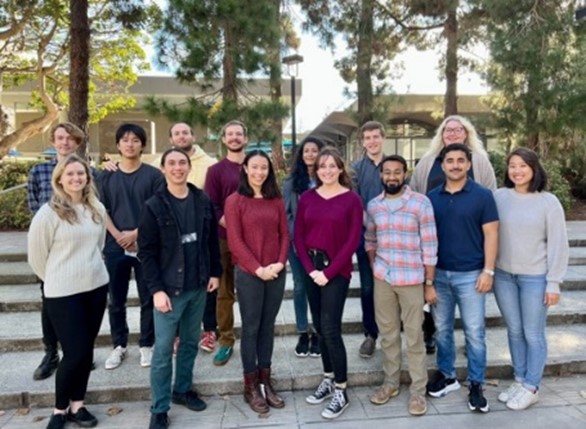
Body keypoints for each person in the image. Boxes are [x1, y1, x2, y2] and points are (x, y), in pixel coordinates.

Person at [138, 148, 222, 429]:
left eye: (182, 163)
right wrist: (156, 290)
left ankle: (182, 389)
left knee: (189, 343)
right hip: (168, 291)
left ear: (189, 167)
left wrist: (214, 272)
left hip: (197, 285)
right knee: (162, 351)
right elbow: (146, 252)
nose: (177, 167)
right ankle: (159, 408)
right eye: (171, 163)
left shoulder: (201, 200)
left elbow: (211, 241)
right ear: (163, 169)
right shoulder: (154, 205)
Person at [28, 154, 109, 429]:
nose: (76, 178)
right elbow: (37, 258)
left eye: (81, 174)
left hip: (96, 287)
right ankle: (59, 409)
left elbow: (99, 245)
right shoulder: (48, 213)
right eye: (70, 174)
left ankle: (78, 405)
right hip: (63, 293)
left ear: (87, 178)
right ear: (59, 178)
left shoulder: (96, 207)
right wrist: (56, 278)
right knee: (73, 353)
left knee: (85, 351)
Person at [410, 115, 497, 355]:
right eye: (448, 130)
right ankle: (430, 334)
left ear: (467, 133)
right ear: (441, 134)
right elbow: (416, 193)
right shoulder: (427, 162)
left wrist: (489, 265)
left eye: (458, 130)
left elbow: (491, 195)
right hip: (432, 240)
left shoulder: (479, 161)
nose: (452, 133)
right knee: (432, 296)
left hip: (469, 241)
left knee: (472, 310)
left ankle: (473, 345)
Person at [493, 147, 569, 410]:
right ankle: (520, 378)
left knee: (533, 333)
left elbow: (559, 244)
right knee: (514, 330)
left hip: (535, 278)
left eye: (523, 165)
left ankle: (532, 386)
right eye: (512, 165)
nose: (517, 170)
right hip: (503, 275)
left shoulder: (548, 202)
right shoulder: (499, 196)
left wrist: (554, 282)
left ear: (534, 169)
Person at [425, 143, 499, 413]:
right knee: (442, 330)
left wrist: (488, 271)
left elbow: (492, 234)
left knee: (475, 333)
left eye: (460, 160)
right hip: (440, 275)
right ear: (442, 165)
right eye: (450, 160)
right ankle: (447, 375)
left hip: (472, 275)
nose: (455, 165)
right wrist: (428, 280)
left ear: (468, 164)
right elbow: (425, 239)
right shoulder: (431, 197)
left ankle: (477, 383)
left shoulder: (482, 196)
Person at [365, 155, 438, 416]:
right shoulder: (374, 205)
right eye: (387, 172)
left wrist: (429, 283)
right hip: (384, 277)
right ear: (381, 175)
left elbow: (430, 246)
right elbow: (370, 239)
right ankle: (391, 383)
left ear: (405, 174)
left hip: (412, 279)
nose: (392, 177)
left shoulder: (421, 203)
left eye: (397, 172)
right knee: (388, 335)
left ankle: (418, 390)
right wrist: (375, 266)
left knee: (415, 336)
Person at [294, 147, 363, 420]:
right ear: (316, 170)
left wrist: (329, 271)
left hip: (337, 271)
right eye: (322, 166)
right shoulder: (308, 198)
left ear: (340, 169)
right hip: (312, 269)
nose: (327, 170)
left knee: (331, 329)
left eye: (332, 166)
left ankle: (341, 389)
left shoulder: (351, 200)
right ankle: (328, 376)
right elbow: (298, 236)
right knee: (320, 327)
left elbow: (353, 240)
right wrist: (311, 270)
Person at [225, 150, 289, 413]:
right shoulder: (235, 201)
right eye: (255, 167)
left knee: (268, 326)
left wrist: (280, 263)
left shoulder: (275, 200)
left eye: (264, 168)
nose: (259, 172)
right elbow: (235, 242)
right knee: (251, 328)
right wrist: (258, 269)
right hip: (250, 275)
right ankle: (250, 385)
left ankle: (265, 381)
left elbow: (285, 234)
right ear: (245, 169)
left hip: (275, 272)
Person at [98, 124, 165, 370]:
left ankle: (147, 344)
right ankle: (119, 345)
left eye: (135, 140)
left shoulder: (153, 176)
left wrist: (136, 233)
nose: (130, 144)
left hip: (145, 244)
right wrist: (118, 236)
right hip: (115, 245)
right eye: (125, 140)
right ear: (117, 145)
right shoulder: (107, 175)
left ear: (142, 145)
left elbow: (158, 208)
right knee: (116, 299)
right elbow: (100, 209)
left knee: (148, 297)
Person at [26, 122, 85, 381]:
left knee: (82, 304)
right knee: (50, 303)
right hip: (50, 250)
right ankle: (51, 353)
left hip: (80, 250)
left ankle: (80, 352)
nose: (65, 142)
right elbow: (33, 207)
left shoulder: (85, 172)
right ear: (53, 141)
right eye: (60, 138)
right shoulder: (39, 171)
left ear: (77, 142)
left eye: (70, 138)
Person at [165, 123, 218, 354]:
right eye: (176, 133)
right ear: (171, 139)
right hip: (173, 232)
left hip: (203, 227)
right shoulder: (163, 162)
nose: (181, 136)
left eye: (185, 132)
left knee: (207, 284)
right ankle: (178, 334)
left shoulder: (209, 164)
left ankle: (209, 331)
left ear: (193, 136)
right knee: (178, 285)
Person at [204, 120, 248, 366]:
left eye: (238, 134)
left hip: (253, 241)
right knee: (224, 292)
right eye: (230, 134)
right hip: (223, 239)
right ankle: (226, 340)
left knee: (251, 291)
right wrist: (231, 226)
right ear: (223, 139)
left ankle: (252, 339)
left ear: (245, 138)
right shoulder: (216, 171)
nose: (234, 138)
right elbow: (211, 204)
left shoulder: (256, 166)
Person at [283, 136, 325, 358]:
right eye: (306, 150)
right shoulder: (291, 182)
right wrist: (297, 237)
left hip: (322, 244)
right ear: (301, 154)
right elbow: (286, 214)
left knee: (318, 287)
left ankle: (318, 331)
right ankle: (303, 331)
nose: (310, 154)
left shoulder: (326, 178)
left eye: (314, 150)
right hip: (297, 244)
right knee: (300, 286)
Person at [351, 121, 385, 358]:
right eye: (368, 138)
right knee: (367, 287)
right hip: (366, 239)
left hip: (394, 240)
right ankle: (370, 335)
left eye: (375, 136)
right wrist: (371, 225)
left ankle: (392, 333)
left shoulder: (394, 165)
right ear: (363, 142)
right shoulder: (356, 169)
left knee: (394, 288)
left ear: (383, 138)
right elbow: (354, 202)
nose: (372, 141)